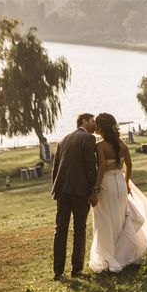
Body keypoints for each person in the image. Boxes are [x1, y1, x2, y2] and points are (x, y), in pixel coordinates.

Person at [89, 112, 147, 273]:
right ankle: (122, 253)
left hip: (107, 185)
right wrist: (126, 183)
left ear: (102, 128)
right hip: (120, 182)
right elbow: (129, 165)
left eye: (97, 125)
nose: (95, 127)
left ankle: (111, 256)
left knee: (106, 221)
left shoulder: (100, 146)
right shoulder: (122, 144)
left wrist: (95, 189)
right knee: (119, 219)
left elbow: (102, 169)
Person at [51, 113, 98, 281]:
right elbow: (90, 166)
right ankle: (76, 269)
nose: (95, 124)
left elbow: (55, 168)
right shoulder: (88, 138)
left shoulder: (63, 139)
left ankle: (58, 272)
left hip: (62, 191)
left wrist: (55, 189)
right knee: (79, 229)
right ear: (84, 121)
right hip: (79, 191)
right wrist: (94, 189)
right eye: (93, 121)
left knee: (60, 230)